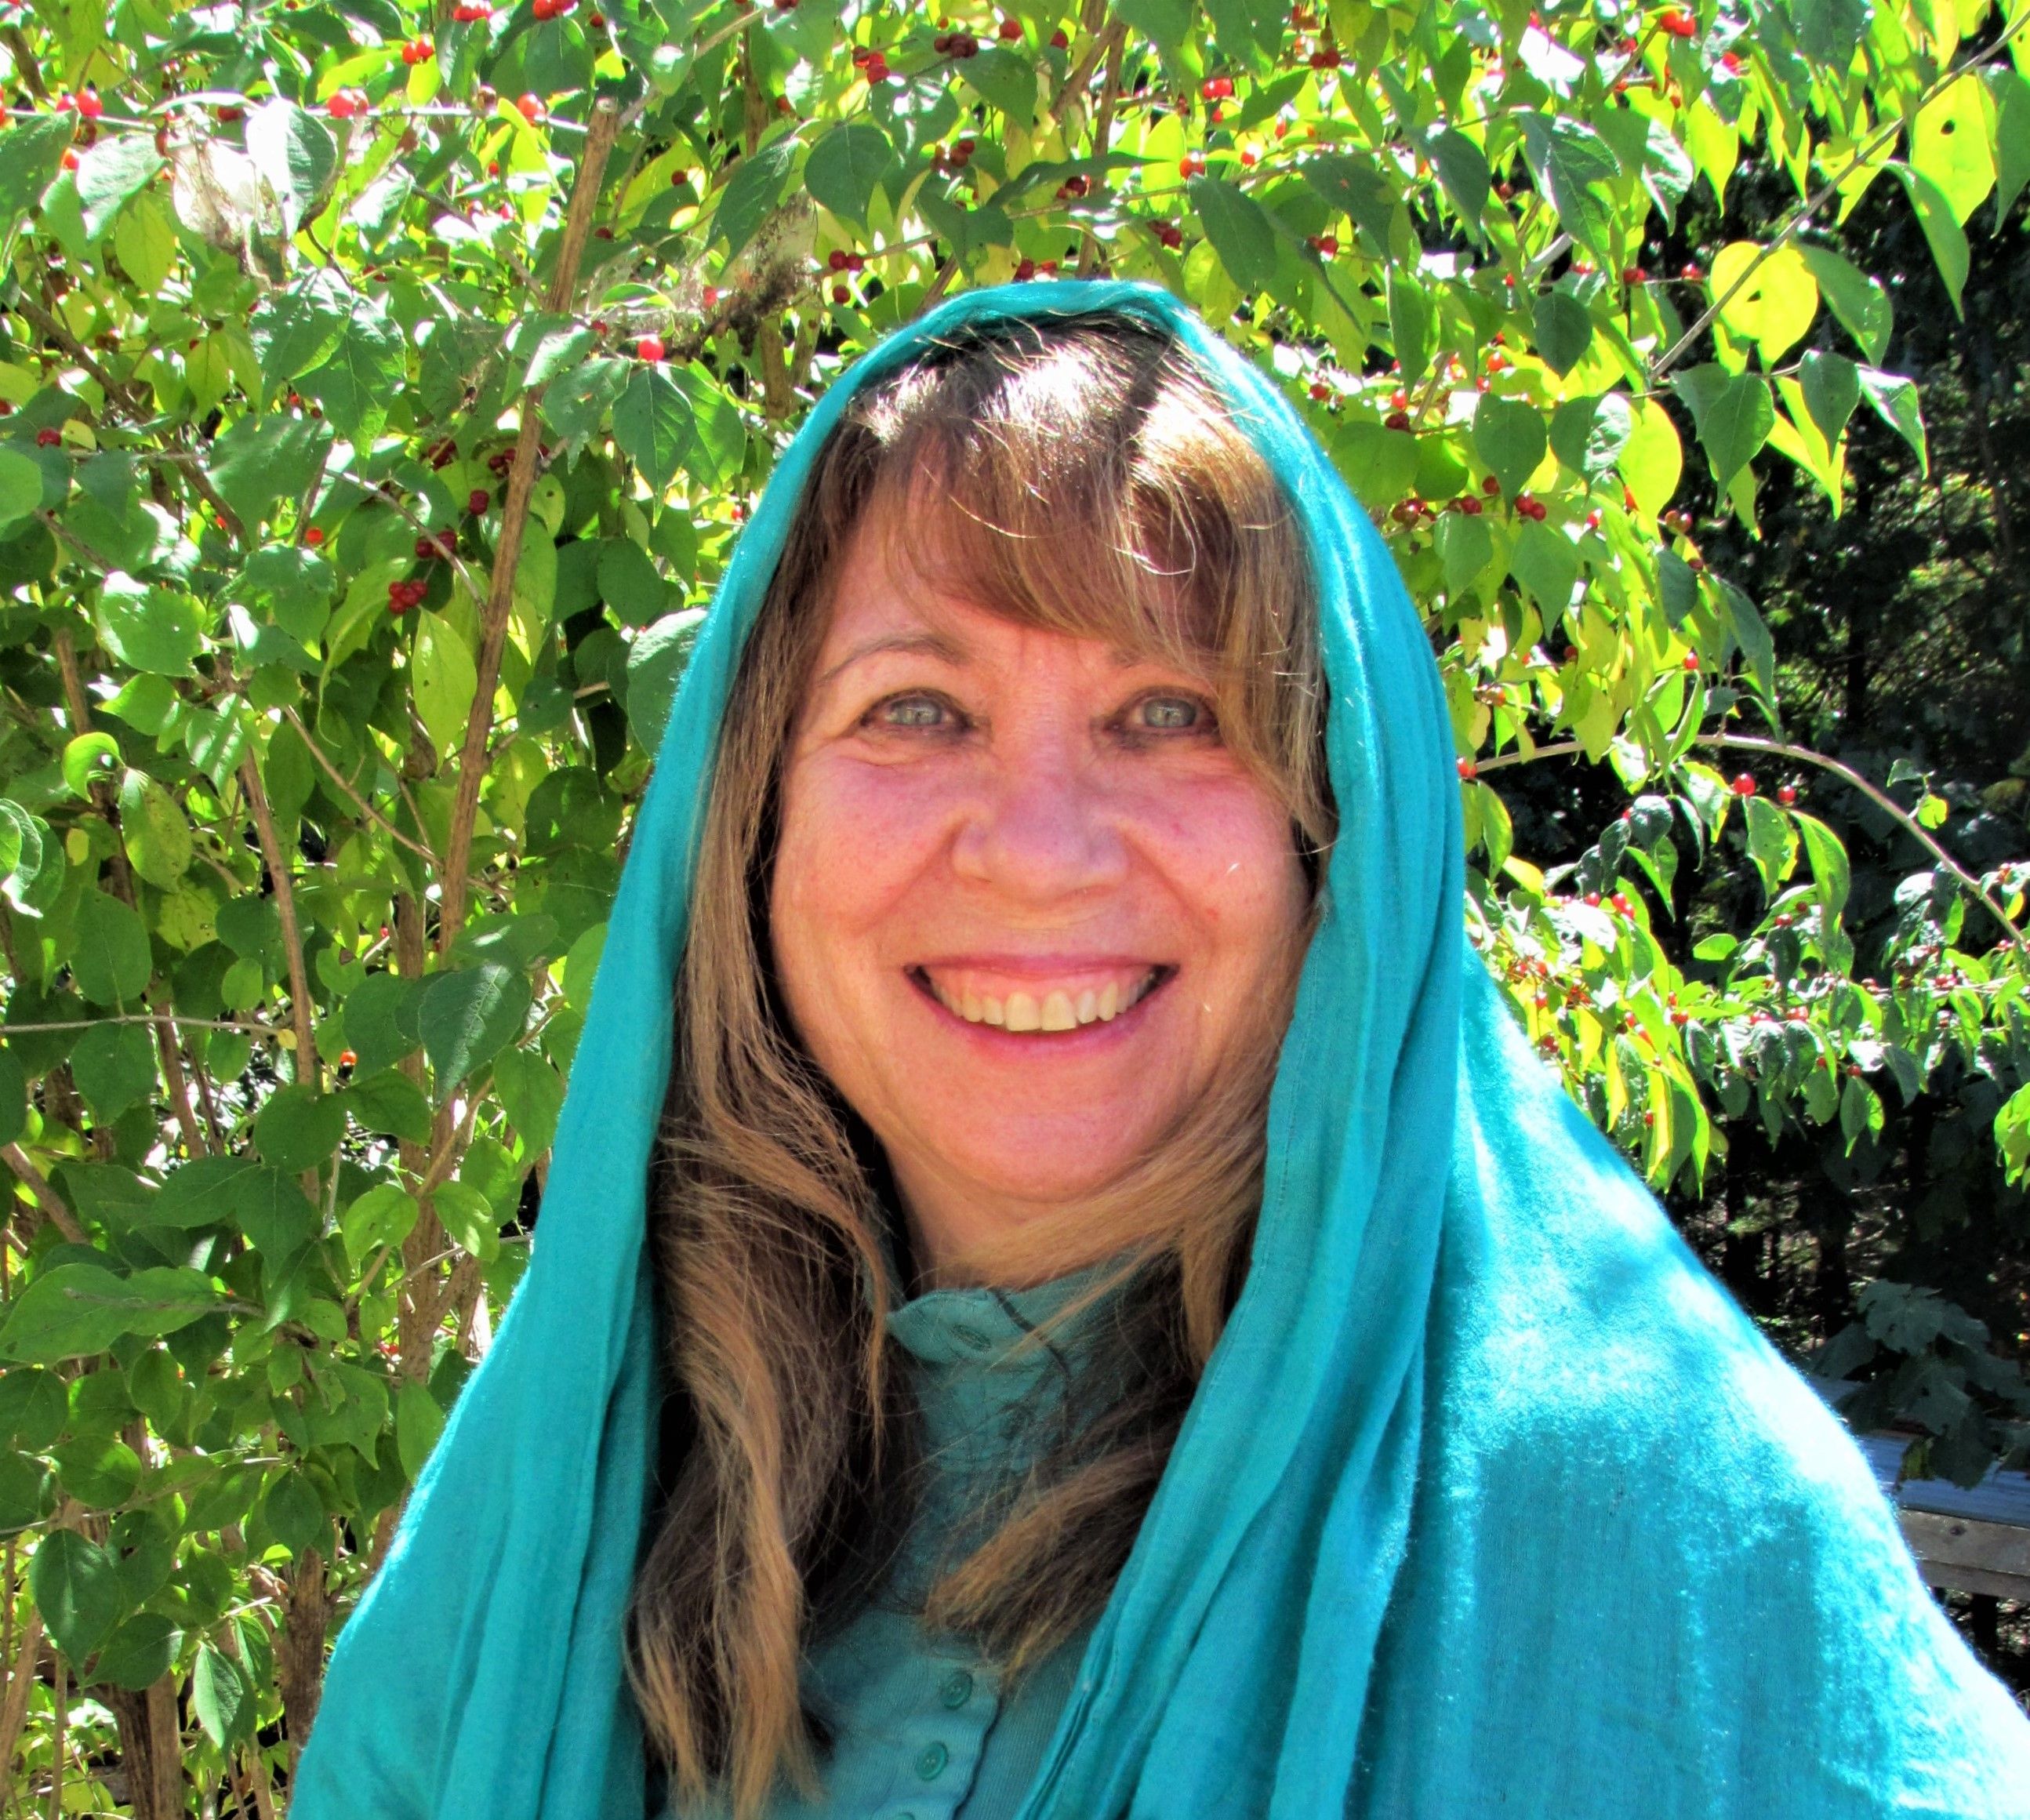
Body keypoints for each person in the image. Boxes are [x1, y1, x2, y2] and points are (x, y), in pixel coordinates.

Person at [293, 285, 2030, 1820]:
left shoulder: (1666, 1540)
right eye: (916, 708)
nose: (1037, 849)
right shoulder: (567, 1508)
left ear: (1333, 837)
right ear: (746, 823)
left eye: (1170, 714)